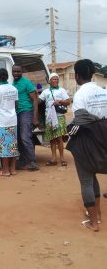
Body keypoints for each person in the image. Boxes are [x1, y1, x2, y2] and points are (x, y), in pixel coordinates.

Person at [66, 59, 107, 232]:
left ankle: (94, 222)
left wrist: (70, 130)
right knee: (93, 177)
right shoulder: (103, 91)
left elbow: (80, 120)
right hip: (104, 136)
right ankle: (96, 214)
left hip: (87, 140)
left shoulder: (80, 94)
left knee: (86, 180)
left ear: (76, 75)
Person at [0, 68, 19, 176]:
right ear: (7, 77)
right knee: (12, 145)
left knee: (3, 147)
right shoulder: (14, 89)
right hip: (12, 120)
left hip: (1, 121)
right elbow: (16, 105)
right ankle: (13, 169)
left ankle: (5, 171)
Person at [39, 73, 70, 166]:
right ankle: (53, 159)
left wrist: (60, 101)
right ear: (49, 81)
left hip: (59, 117)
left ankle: (62, 158)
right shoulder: (45, 92)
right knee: (52, 139)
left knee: (59, 138)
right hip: (49, 118)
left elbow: (68, 101)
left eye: (57, 79)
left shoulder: (62, 90)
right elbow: (39, 101)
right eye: (54, 79)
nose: (56, 80)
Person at [12, 65, 39, 171]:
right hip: (16, 113)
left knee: (25, 137)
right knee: (18, 138)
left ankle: (33, 162)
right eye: (14, 71)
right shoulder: (13, 83)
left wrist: (35, 117)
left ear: (22, 72)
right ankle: (23, 161)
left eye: (18, 71)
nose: (16, 73)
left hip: (26, 112)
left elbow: (35, 100)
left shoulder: (27, 83)